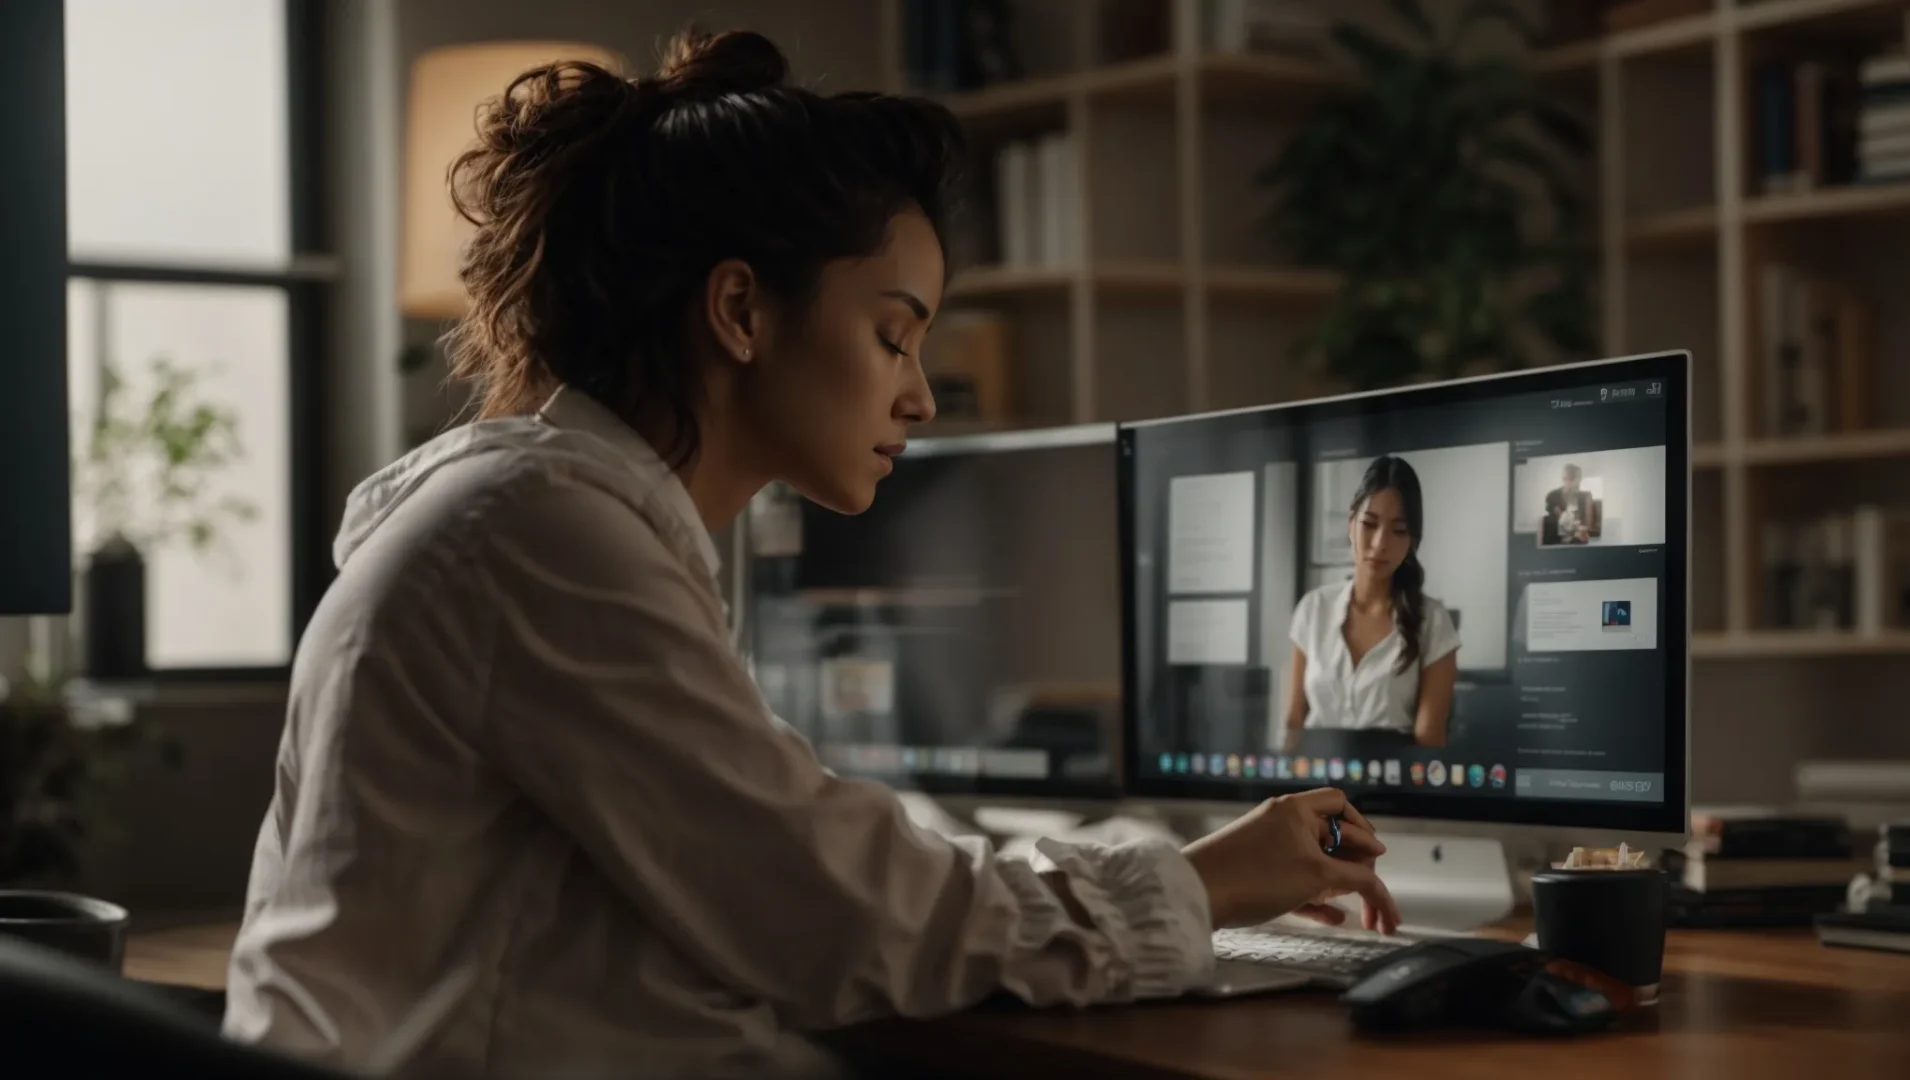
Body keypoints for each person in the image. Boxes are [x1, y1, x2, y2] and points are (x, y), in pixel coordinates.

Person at [221, 29, 1401, 1080]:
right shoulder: (539, 536)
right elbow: (841, 921)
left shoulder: (546, 514)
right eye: (893, 336)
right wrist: (1199, 884)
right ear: (740, 312)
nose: (922, 397)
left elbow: (804, 865)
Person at [1283, 456, 1460, 751]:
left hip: (1392, 787)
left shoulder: (1433, 621)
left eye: (1398, 530)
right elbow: (1294, 720)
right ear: (1351, 523)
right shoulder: (1314, 608)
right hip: (1313, 784)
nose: (1380, 544)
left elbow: (1429, 740)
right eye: (1369, 524)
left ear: (1412, 540)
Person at [1544, 462, 1594, 545]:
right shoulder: (1553, 496)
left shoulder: (1586, 497)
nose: (1575, 483)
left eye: (1578, 480)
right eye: (1569, 479)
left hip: (1580, 540)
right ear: (1564, 479)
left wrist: (1583, 530)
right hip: (1558, 541)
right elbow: (1560, 520)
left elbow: (1589, 525)